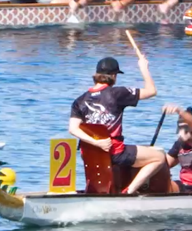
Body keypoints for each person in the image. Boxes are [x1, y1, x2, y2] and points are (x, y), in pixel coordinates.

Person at [68, 56, 166, 194]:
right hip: (113, 152)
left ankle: (104, 189)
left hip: (88, 154)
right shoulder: (117, 93)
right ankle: (129, 191)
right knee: (158, 157)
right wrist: (144, 68)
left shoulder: (79, 100)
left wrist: (96, 143)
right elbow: (151, 91)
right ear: (113, 76)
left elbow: (73, 129)